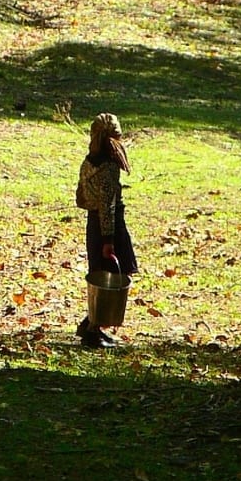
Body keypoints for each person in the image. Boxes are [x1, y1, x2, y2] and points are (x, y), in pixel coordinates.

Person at [74, 113, 139, 349]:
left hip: (94, 223)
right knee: (112, 278)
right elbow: (108, 205)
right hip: (108, 226)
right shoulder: (110, 167)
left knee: (101, 276)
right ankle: (93, 328)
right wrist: (109, 240)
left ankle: (91, 323)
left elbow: (83, 196)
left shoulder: (89, 161)